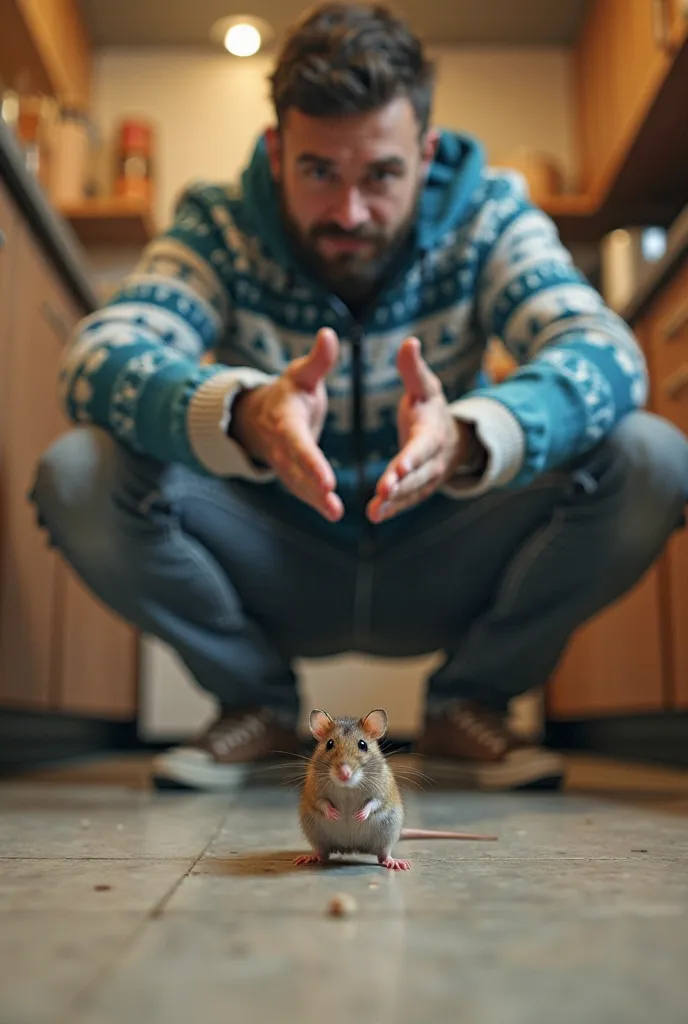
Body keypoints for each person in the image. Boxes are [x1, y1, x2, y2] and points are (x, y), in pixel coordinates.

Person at [31, 2, 688, 792]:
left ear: (426, 151)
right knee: (80, 472)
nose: (349, 213)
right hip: (276, 553)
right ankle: (257, 702)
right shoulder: (220, 222)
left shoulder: (489, 214)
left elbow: (606, 353)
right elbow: (96, 358)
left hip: (443, 547)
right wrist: (241, 414)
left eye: (381, 175)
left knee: (652, 457)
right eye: (318, 172)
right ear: (277, 152)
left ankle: (469, 701)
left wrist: (475, 437)